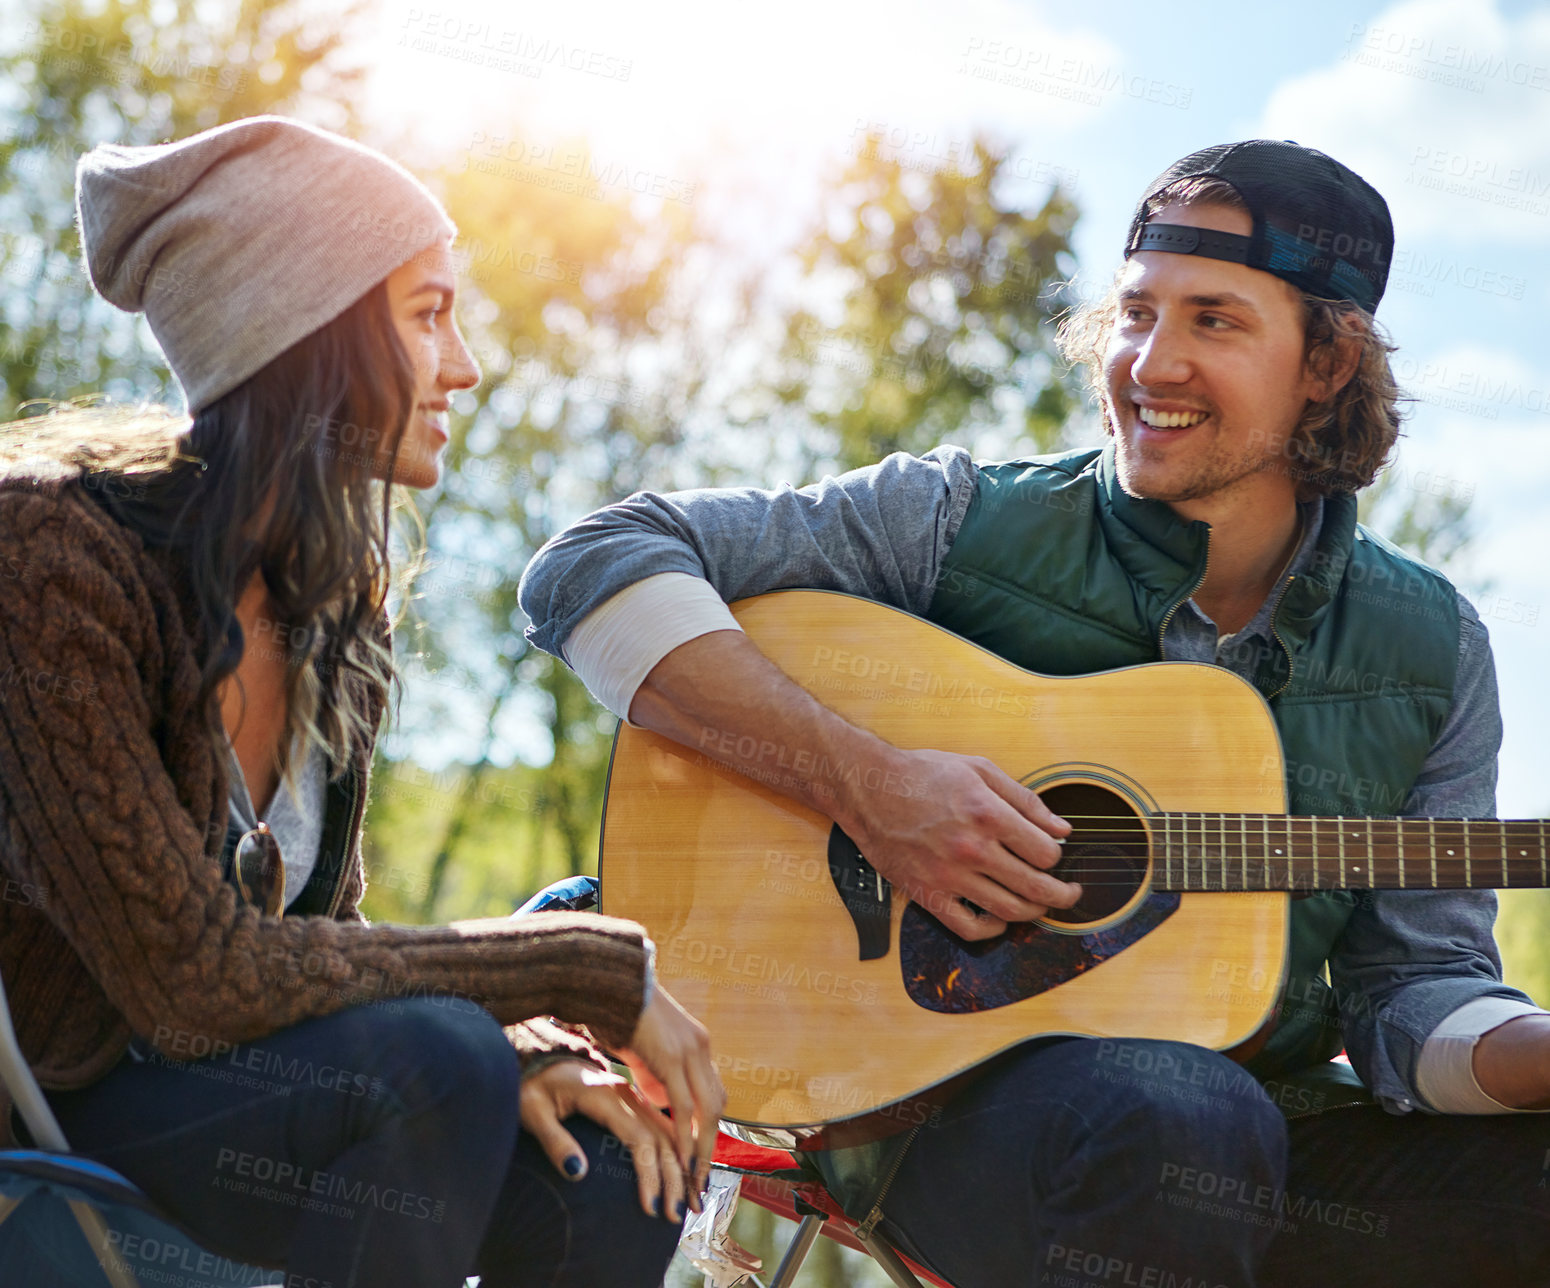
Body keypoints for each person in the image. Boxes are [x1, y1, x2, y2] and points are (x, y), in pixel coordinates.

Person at [518, 140, 1550, 1288]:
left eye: (1213, 321)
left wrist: (1529, 1053)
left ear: (1325, 361)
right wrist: (866, 783)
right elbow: (591, 564)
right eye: (1136, 313)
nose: (1148, 363)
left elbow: (1415, 991)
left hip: (1273, 1128)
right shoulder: (957, 525)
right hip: (940, 1121)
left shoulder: (1431, 646)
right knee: (1177, 1121)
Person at [0, 115, 724, 1288]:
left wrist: (520, 1043)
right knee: (429, 1065)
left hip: (242, 1094)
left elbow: (316, 949)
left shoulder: (337, 611)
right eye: (428, 313)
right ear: (306, 331)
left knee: (605, 1146)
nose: (465, 365)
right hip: (64, 1104)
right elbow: (189, 980)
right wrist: (576, 967)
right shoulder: (47, 557)